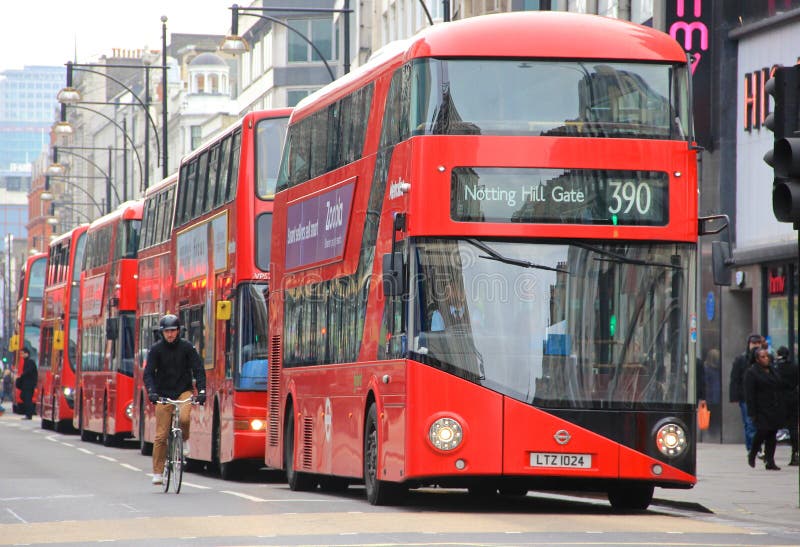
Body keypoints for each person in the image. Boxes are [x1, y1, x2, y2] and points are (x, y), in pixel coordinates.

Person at [143, 314, 206, 485]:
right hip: (163, 394)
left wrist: (201, 391)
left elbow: (199, 369)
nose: (170, 334)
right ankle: (157, 472)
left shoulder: (187, 348)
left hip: (183, 391)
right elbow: (148, 374)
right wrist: (152, 392)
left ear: (178, 331)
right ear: (162, 333)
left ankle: (183, 439)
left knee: (185, 418)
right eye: (167, 331)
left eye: (173, 331)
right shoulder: (156, 350)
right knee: (161, 436)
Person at [745, 347, 785, 470]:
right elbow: (749, 394)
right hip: (761, 407)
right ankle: (753, 453)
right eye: (763, 357)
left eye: (767, 356)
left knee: (772, 434)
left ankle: (770, 460)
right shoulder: (752, 372)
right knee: (762, 431)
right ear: (757, 359)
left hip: (774, 407)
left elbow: (779, 385)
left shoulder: (772, 370)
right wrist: (752, 412)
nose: (766, 359)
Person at [730, 334, 763, 453]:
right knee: (749, 423)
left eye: (758, 343)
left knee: (758, 424)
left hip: (761, 396)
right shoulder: (741, 359)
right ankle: (753, 448)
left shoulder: (764, 359)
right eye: (753, 343)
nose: (756, 346)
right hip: (746, 397)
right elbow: (735, 378)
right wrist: (734, 396)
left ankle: (755, 447)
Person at [774, 346, 799, 466]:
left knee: (773, 427)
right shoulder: (794, 367)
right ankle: (795, 452)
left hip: (779, 400)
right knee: (793, 427)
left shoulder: (776, 368)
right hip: (793, 398)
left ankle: (769, 455)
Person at [17, 348, 37, 420]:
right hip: (26, 384)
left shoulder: (30, 362)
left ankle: (29, 414)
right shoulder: (26, 362)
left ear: (27, 354)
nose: (21, 355)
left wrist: (21, 375)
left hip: (29, 384)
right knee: (23, 397)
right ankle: (29, 413)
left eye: (22, 353)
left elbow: (28, 372)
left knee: (28, 399)